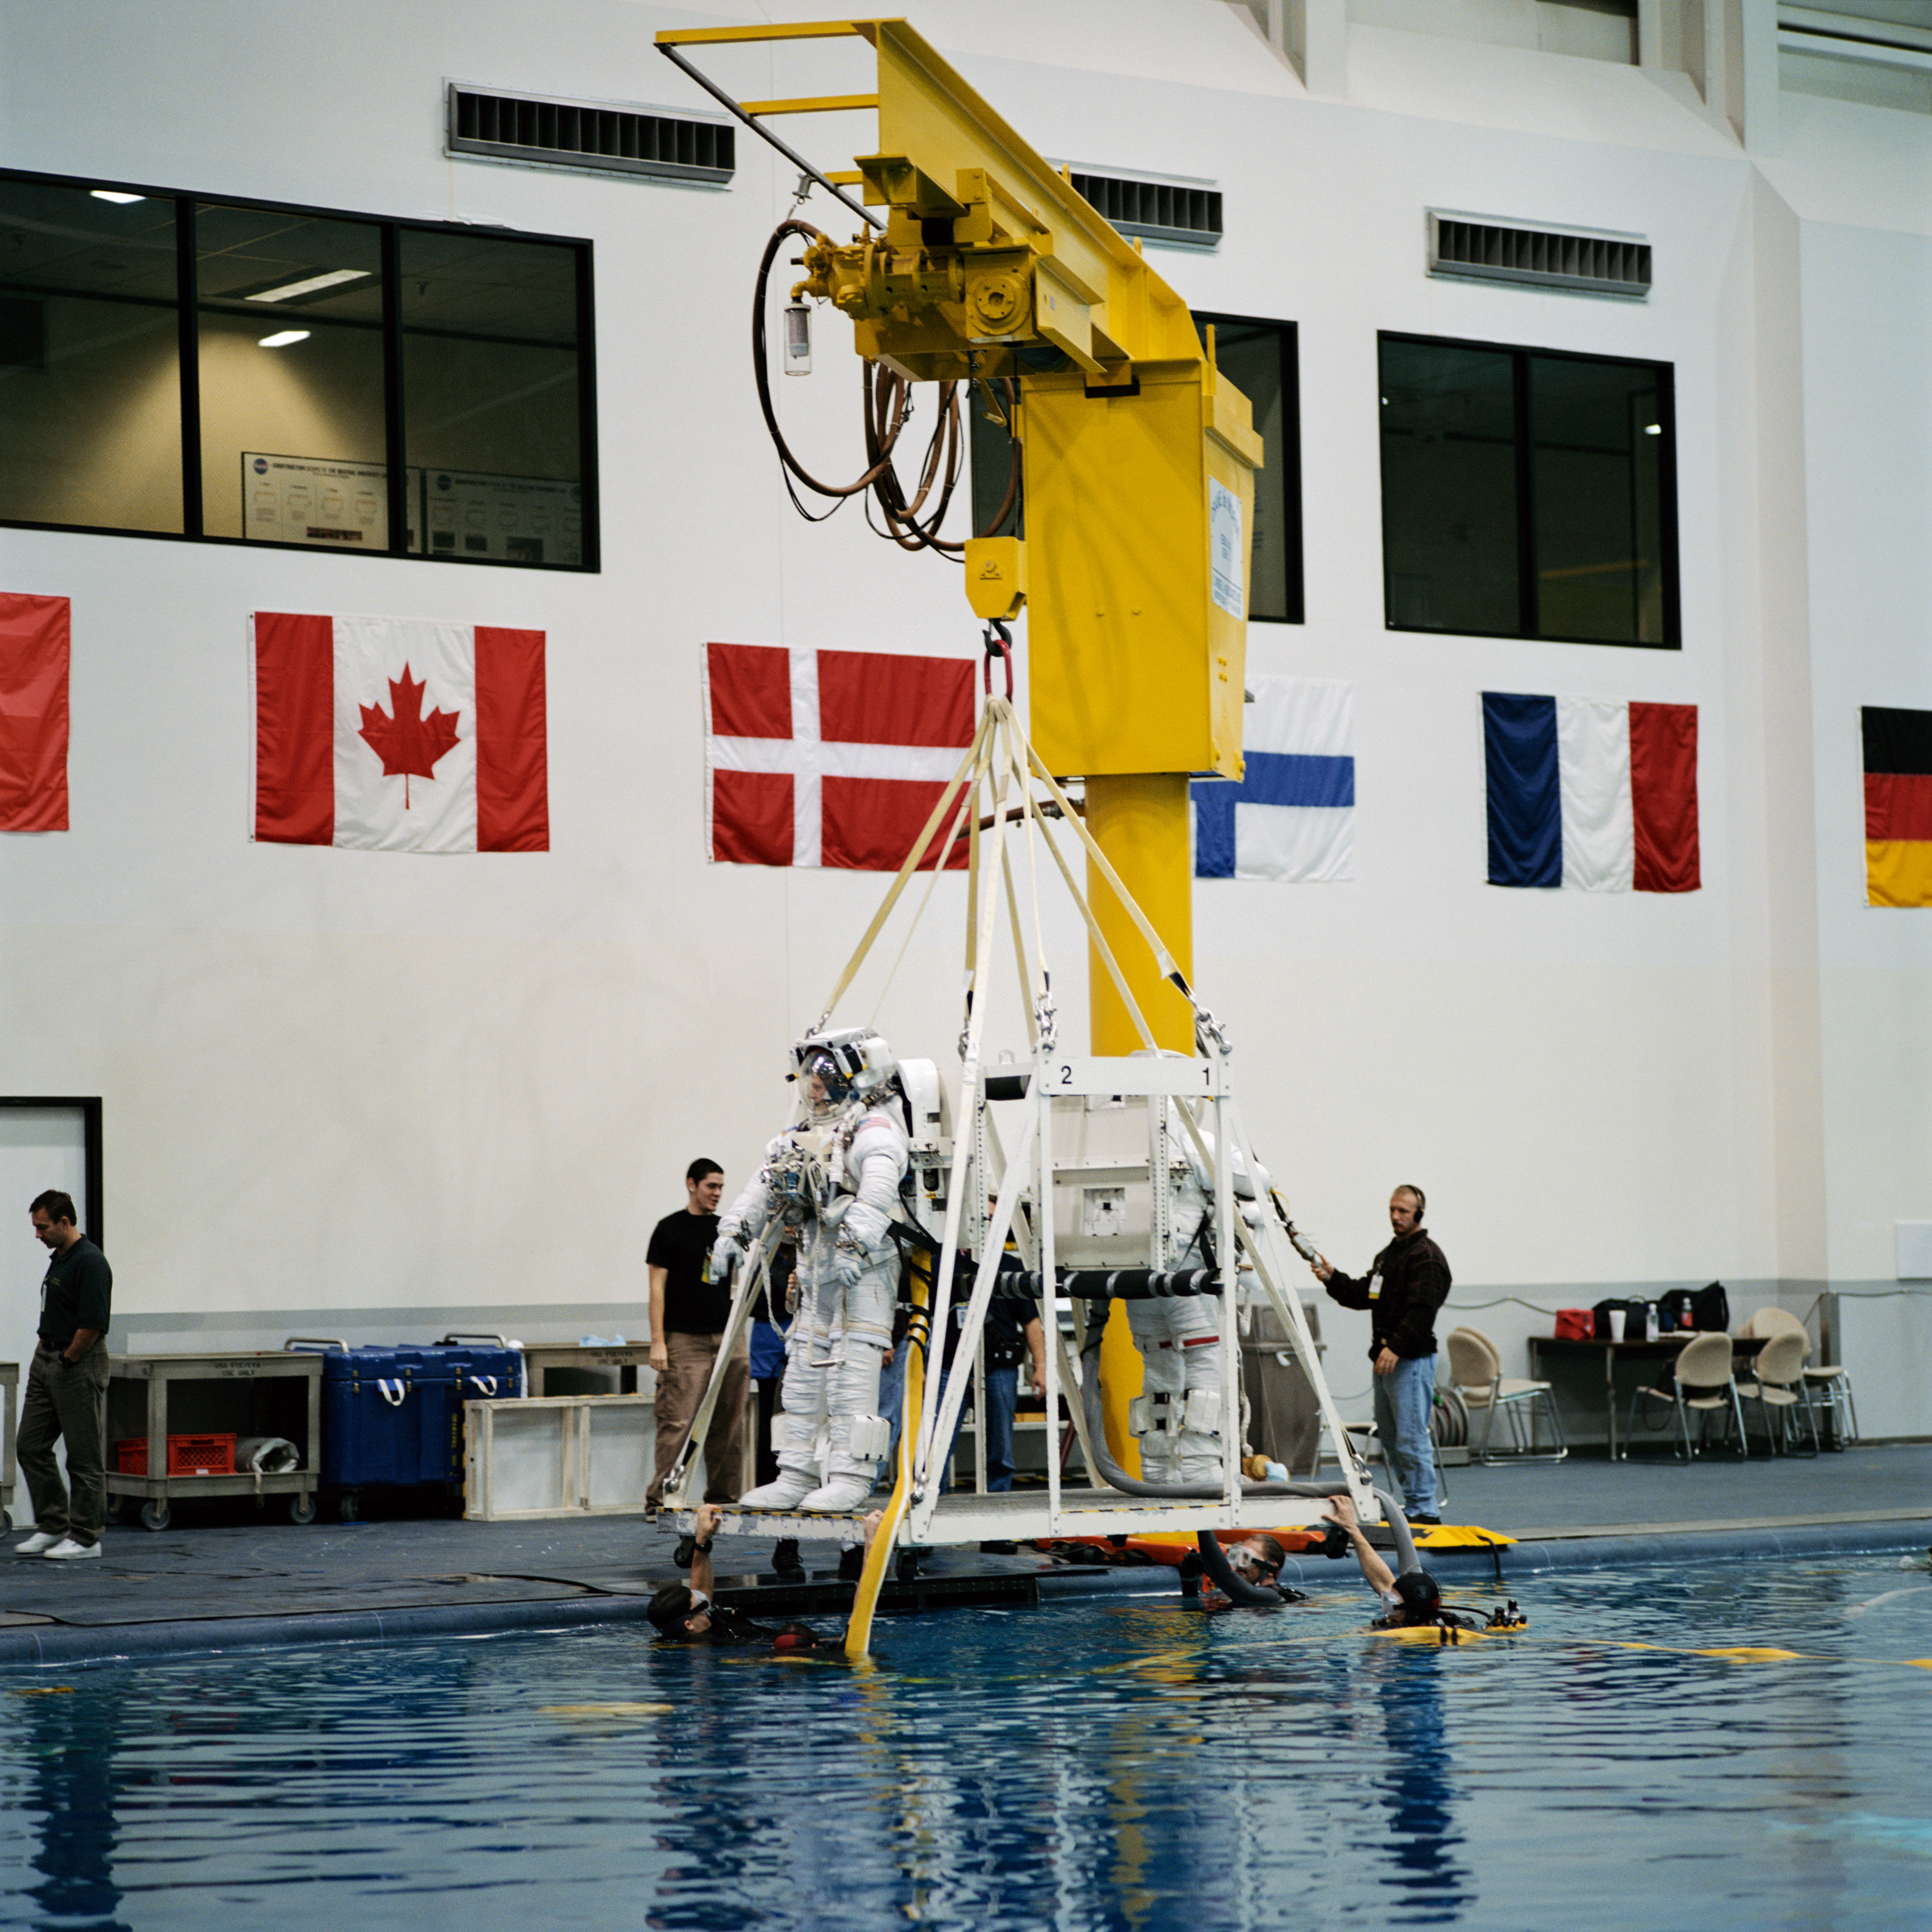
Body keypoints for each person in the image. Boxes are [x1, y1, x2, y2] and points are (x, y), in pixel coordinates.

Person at [718, 1029, 909, 1515]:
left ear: (853, 1076)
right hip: (811, 1272)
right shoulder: (797, 1135)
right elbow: (760, 1189)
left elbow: (879, 1190)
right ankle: (795, 1474)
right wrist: (732, 1233)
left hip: (861, 1272)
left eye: (824, 1076)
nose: (814, 1087)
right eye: (810, 1076)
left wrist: (852, 1242)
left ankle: (850, 1477)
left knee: (851, 1378)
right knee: (802, 1379)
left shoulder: (874, 1130)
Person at [1125, 1105, 1266, 1486]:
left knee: (1158, 1370)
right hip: (1185, 1277)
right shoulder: (1192, 1140)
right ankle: (1201, 1471)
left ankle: (1157, 1473)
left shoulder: (1114, 1137)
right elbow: (1256, 1180)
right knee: (1205, 1366)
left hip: (1133, 1279)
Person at [1309, 1185, 1449, 1526]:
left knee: (1410, 1435)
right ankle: (1413, 1501)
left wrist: (1396, 1346)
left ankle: (1424, 1507)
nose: (1396, 1216)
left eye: (1403, 1210)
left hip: (1409, 1361)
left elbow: (1422, 1310)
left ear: (1419, 1214)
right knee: (1389, 1435)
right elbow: (1365, 1293)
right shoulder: (1389, 1255)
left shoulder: (1426, 1257)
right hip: (1386, 1359)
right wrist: (1333, 1278)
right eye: (1392, 1210)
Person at [645, 1159, 749, 1512]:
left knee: (730, 1423)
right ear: (692, 1184)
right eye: (711, 1186)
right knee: (678, 1420)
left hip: (729, 1337)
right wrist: (658, 1340)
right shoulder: (669, 1229)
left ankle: (723, 1497)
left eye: (721, 1187)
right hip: (684, 1340)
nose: (717, 1194)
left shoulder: (728, 1231)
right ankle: (661, 1498)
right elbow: (656, 1288)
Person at [16, 1191, 113, 1560]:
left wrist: (69, 1359)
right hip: (48, 1359)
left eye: (43, 1227)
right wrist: (45, 1354)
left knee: (83, 1456)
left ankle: (87, 1537)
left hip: (76, 1363)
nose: (38, 1234)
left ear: (65, 1222)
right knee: (31, 1445)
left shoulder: (90, 1262)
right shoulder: (60, 1259)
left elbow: (92, 1324)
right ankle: (54, 1525)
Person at [648, 1503, 881, 1646]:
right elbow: (860, 1622)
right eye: (698, 1602)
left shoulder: (692, 1627)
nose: (702, 1598)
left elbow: (701, 1590)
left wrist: (702, 1540)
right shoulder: (722, 1645)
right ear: (689, 1624)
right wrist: (871, 1542)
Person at [1323, 1493, 1492, 1631]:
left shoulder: (1460, 1629)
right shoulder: (1394, 1623)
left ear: (1414, 1612)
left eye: (1392, 1605)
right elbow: (1384, 1582)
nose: (1387, 1612)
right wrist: (1352, 1529)